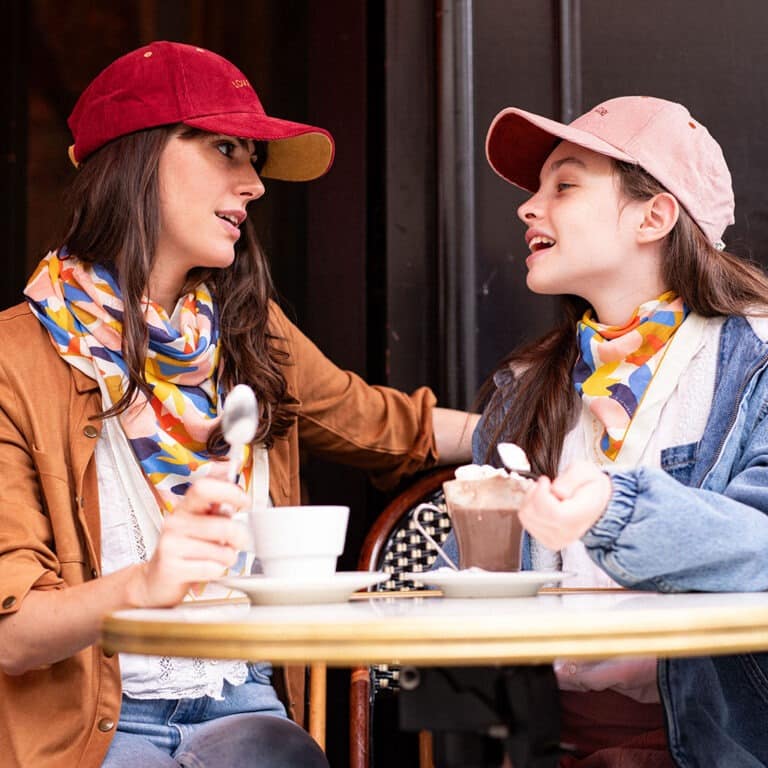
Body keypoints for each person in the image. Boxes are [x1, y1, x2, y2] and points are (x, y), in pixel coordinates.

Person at [0, 41, 477, 768]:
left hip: (244, 708)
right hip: (89, 733)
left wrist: (535, 429)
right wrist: (146, 585)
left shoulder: (248, 329)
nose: (253, 184)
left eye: (252, 158)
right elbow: (12, 632)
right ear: (138, 157)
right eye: (227, 149)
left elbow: (385, 425)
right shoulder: (15, 358)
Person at [475, 96, 768, 766]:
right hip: (547, 743)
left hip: (714, 746)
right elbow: (483, 582)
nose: (528, 207)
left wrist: (617, 507)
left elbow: (761, 544)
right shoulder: (528, 384)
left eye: (565, 185)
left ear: (655, 216)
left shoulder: (756, 362)